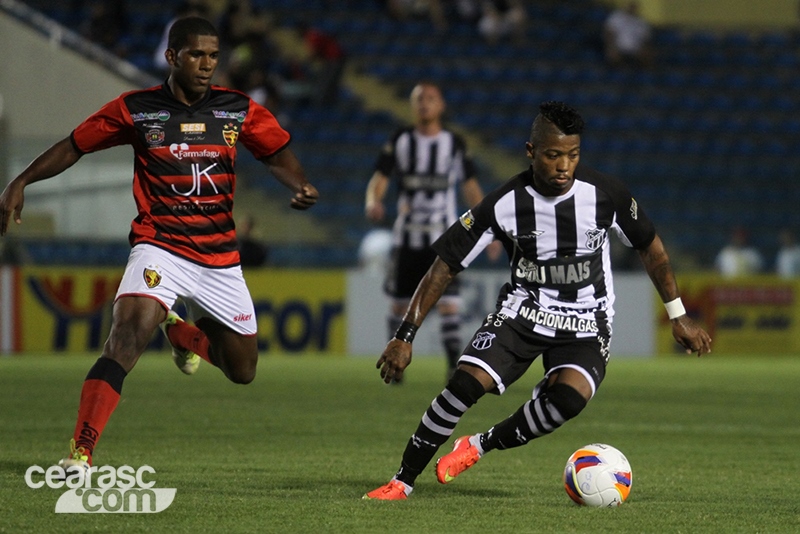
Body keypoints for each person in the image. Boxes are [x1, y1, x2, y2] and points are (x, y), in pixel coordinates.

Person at [0, 16, 318, 474]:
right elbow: (75, 145)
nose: (206, 64)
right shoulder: (137, 109)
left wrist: (299, 183)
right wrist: (22, 180)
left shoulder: (237, 110)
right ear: (172, 56)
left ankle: (180, 332)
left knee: (242, 370)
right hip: (160, 246)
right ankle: (81, 452)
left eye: (213, 55)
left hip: (219, 258)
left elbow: (277, 153)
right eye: (196, 54)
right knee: (126, 337)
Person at [363, 101, 711, 500]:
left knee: (568, 400)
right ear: (531, 152)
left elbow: (652, 248)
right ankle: (402, 481)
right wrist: (404, 335)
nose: (564, 166)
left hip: (586, 322)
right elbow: (444, 266)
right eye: (553, 155)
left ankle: (478, 445)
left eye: (573, 155)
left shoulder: (606, 195)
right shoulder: (504, 203)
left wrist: (678, 315)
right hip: (522, 315)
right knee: (463, 387)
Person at [365, 82, 500, 381]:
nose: (424, 103)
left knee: (450, 304)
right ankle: (393, 363)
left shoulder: (454, 143)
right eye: (419, 99)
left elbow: (471, 186)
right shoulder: (401, 140)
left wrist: (488, 228)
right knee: (399, 303)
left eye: (430, 98)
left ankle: (452, 364)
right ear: (413, 106)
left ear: (441, 106)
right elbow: (380, 177)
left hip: (443, 236)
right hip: (408, 236)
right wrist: (374, 200)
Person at [603, 1, 653, 68]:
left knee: (647, 54)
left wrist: (644, 48)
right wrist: (611, 46)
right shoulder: (616, 17)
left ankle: (643, 72)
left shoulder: (641, 22)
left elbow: (646, 38)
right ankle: (617, 71)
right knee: (612, 54)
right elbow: (609, 33)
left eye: (634, 7)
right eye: (630, 6)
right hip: (618, 46)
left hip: (635, 48)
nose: (632, 8)